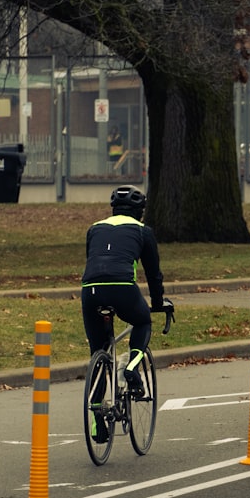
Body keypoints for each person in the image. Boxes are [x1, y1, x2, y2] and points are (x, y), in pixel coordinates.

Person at [81, 185, 165, 443]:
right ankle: (131, 367)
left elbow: (94, 260)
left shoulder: (94, 228)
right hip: (123, 288)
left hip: (90, 289)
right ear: (141, 211)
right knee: (142, 321)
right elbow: (153, 273)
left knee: (99, 351)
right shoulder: (143, 231)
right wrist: (159, 302)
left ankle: (97, 420)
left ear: (113, 209)